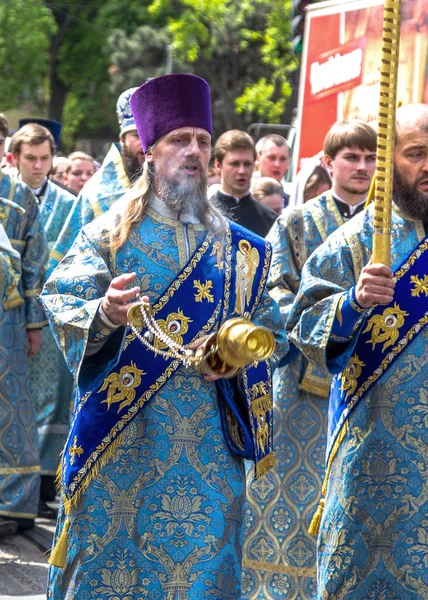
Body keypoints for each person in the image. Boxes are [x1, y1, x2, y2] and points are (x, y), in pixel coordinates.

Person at [41, 73, 288, 599]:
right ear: (150, 150)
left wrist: (243, 353)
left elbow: (275, 329)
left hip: (207, 448)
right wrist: (104, 313)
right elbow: (62, 300)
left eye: (202, 140)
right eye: (180, 139)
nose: (194, 151)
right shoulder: (107, 235)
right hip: (121, 441)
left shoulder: (241, 250)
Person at [287, 103, 428, 598]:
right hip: (375, 452)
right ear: (391, 162)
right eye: (417, 154)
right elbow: (302, 326)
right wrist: (352, 303)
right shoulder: (353, 243)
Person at [242, 119, 377, 599]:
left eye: (369, 158)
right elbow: (273, 291)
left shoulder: (390, 225)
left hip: (372, 384)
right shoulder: (296, 222)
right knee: (290, 495)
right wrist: (317, 325)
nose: (361, 168)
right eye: (351, 158)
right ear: (327, 162)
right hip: (302, 385)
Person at [11, 121, 76, 518]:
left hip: (50, 318)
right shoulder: (9, 198)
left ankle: (42, 485)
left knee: (51, 402)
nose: (38, 166)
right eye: (30, 158)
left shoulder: (70, 204)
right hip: (12, 311)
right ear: (15, 158)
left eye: (44, 159)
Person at [48, 87, 145, 274]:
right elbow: (70, 260)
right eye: (136, 135)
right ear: (122, 140)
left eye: (148, 136)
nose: (143, 143)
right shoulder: (96, 194)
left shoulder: (171, 187)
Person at [0, 168, 47, 533]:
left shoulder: (20, 193)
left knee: (11, 405)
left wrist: (33, 323)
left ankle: (15, 504)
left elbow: (33, 263)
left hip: (8, 319)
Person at [211, 129, 278, 237]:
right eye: (235, 164)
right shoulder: (204, 216)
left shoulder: (271, 220)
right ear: (218, 165)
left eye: (247, 164)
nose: (242, 171)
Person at [253, 134, 291, 206]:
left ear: (288, 163)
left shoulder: (292, 203)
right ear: (258, 159)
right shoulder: (243, 197)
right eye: (271, 158)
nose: (277, 164)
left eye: (283, 159)